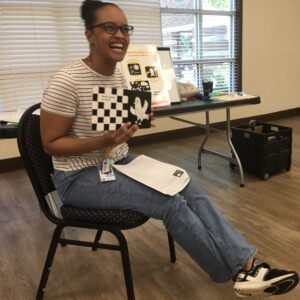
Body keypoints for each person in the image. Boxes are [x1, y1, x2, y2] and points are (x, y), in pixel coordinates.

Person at [40, 0, 299, 297]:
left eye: (125, 29)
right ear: (89, 34)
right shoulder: (66, 80)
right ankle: (237, 273)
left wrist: (131, 123)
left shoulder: (118, 75)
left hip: (117, 161)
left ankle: (250, 264)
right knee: (169, 203)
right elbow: (51, 145)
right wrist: (106, 141)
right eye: (109, 28)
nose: (120, 35)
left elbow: (110, 130)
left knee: (187, 184)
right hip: (78, 178)